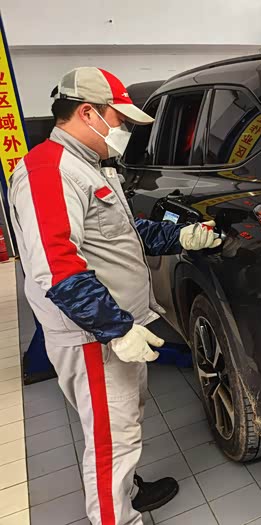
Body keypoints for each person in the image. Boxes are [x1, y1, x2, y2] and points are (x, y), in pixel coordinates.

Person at [8, 67, 222, 525]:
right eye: (119, 120)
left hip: (112, 328)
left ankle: (128, 490)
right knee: (112, 439)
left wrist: (180, 237)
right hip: (92, 336)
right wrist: (116, 329)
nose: (124, 130)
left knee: (121, 421)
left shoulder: (88, 166)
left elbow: (122, 233)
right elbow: (56, 268)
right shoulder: (51, 172)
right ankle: (116, 517)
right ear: (88, 113)